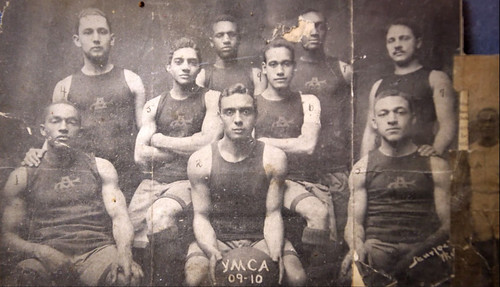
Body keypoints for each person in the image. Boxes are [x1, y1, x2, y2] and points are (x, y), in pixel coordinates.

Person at [1, 102, 143, 286]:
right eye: (56, 121)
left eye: (71, 122)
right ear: (43, 130)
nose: (63, 128)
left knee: (127, 278)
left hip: (95, 251)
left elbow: (120, 217)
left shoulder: (100, 167)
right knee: (25, 278)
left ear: (80, 131)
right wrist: (41, 252)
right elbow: (6, 235)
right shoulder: (23, 175)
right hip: (47, 253)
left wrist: (125, 255)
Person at [185, 83, 306, 286]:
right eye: (230, 112)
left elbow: (273, 214)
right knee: (195, 278)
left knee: (296, 278)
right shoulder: (201, 160)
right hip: (218, 236)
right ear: (220, 116)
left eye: (246, 112)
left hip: (261, 237)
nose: (238, 120)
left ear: (256, 115)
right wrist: (212, 250)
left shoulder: (274, 157)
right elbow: (201, 216)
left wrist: (274, 252)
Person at [22, 8, 146, 202]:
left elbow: (145, 131)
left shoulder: (131, 80)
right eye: (88, 32)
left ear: (111, 39)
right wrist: (39, 152)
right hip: (83, 180)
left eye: (102, 32)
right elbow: (55, 132)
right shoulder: (64, 87)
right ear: (77, 40)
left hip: (128, 179)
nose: (96, 38)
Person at [127, 37, 221, 285]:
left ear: (200, 67)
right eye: (179, 61)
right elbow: (140, 155)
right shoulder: (154, 105)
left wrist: (159, 139)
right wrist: (188, 146)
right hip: (154, 181)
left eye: (192, 62)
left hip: (190, 181)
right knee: (127, 237)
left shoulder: (211, 98)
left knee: (159, 216)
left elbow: (207, 143)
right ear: (168, 67)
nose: (186, 67)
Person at [342, 90, 451, 284]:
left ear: (413, 118)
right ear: (374, 123)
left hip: (422, 248)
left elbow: (448, 224)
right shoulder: (362, 168)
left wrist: (420, 253)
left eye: (400, 112)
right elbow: (354, 223)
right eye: (383, 114)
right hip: (377, 249)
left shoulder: (435, 165)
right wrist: (357, 246)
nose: (392, 119)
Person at [255, 39, 336, 283]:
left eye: (286, 64)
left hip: (306, 181)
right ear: (264, 68)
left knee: (322, 228)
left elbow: (307, 145)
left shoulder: (308, 101)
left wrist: (264, 141)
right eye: (274, 64)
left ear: (295, 67)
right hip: (266, 185)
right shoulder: (252, 104)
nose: (280, 71)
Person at [289, 9, 353, 271]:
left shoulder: (342, 69)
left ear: (326, 31)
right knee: (301, 241)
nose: (313, 31)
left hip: (334, 166)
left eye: (319, 26)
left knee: (337, 241)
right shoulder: (287, 70)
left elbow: (353, 122)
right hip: (298, 168)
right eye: (306, 26)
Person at [361, 18, 456, 158]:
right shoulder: (378, 85)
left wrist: (435, 151)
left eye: (404, 39)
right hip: (387, 162)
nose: (397, 45)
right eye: (391, 40)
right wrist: (364, 167)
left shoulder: (436, 78)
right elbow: (370, 132)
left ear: (418, 42)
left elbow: (447, 124)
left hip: (421, 159)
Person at [195, 14, 265, 95]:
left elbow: (260, 106)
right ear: (211, 42)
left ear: (239, 39)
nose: (226, 40)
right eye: (220, 35)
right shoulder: (202, 76)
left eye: (231, 34)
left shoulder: (256, 75)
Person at [468, 108, 499, 283]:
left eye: (492, 120)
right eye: (483, 121)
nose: (487, 125)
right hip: (478, 204)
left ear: (497, 124)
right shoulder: (469, 152)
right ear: (478, 125)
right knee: (485, 257)